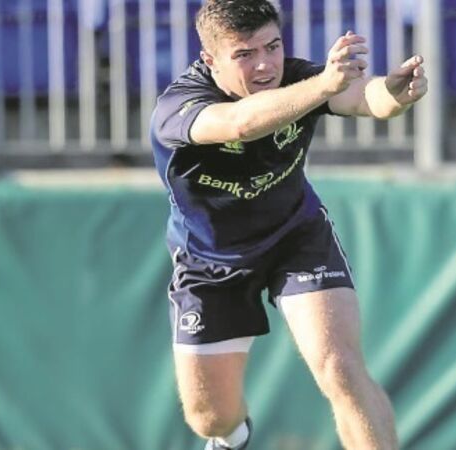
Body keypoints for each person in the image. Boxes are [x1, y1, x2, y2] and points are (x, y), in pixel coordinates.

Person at [149, 1, 428, 449]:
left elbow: (363, 98)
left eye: (272, 46)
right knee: (210, 418)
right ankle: (232, 438)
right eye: (244, 54)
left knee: (340, 368)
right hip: (210, 261)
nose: (265, 65)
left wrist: (393, 95)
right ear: (210, 60)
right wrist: (324, 85)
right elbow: (241, 124)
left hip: (296, 238)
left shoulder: (301, 79)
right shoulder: (178, 106)